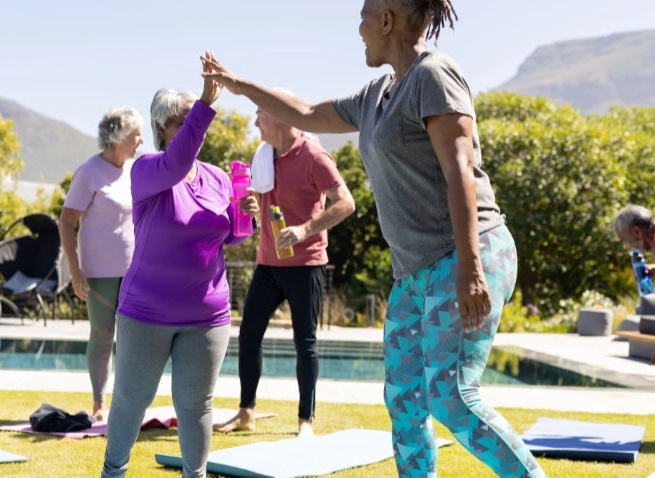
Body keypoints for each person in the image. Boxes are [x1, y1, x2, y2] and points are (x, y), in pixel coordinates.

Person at [202, 1, 546, 476]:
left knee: (451, 397)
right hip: (414, 270)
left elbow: (460, 171)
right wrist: (236, 84)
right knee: (404, 398)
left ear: (387, 20)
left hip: (468, 253)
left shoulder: (434, 76)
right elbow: (306, 112)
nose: (359, 28)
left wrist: (470, 269)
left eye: (364, 15)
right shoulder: (376, 94)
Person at [101, 52, 258, 478]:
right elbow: (177, 162)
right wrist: (205, 103)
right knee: (131, 401)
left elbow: (230, 235)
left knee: (196, 405)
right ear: (162, 129)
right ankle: (113, 472)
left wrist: (245, 217)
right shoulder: (148, 170)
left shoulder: (218, 177)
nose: (192, 128)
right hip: (145, 312)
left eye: (194, 120)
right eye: (181, 121)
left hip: (207, 314)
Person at [213, 107, 355, 437]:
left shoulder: (315, 157)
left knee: (304, 342)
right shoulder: (263, 156)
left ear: (278, 118)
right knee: (249, 335)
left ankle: (306, 421)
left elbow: (345, 203)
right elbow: (260, 202)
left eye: (259, 115)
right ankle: (246, 412)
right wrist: (250, 206)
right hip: (268, 263)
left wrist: (305, 229)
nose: (254, 122)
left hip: (306, 265)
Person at [58, 106, 144, 421]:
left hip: (135, 270)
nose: (141, 141)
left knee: (135, 337)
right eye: (136, 135)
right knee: (102, 334)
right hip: (99, 272)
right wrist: (75, 269)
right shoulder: (90, 172)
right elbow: (66, 221)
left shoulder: (136, 169)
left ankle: (128, 401)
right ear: (118, 137)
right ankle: (99, 403)